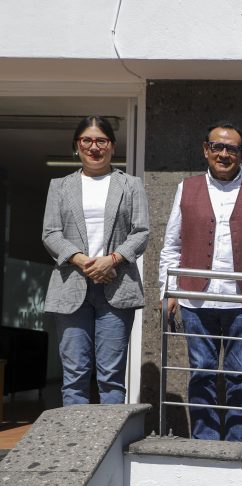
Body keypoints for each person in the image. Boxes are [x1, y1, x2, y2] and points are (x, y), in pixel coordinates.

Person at [159, 121, 242, 441]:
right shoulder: (187, 187)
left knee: (240, 377)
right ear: (206, 150)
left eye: (232, 149)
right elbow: (171, 244)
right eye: (218, 147)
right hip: (195, 300)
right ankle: (205, 441)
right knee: (201, 374)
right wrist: (168, 291)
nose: (224, 154)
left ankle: (237, 439)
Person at [42, 116, 149, 406]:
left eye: (101, 141)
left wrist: (111, 260)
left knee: (111, 375)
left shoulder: (130, 184)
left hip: (116, 287)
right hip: (70, 286)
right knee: (74, 374)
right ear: (77, 146)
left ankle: (112, 447)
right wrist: (83, 261)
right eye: (86, 141)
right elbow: (51, 234)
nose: (94, 147)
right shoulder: (60, 186)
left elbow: (141, 232)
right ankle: (76, 450)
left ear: (112, 146)